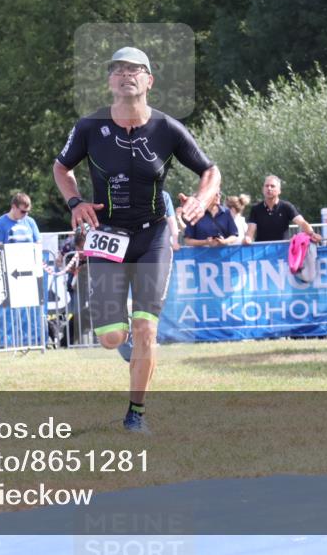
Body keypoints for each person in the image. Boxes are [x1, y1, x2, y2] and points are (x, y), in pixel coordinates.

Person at [53, 46, 220, 433]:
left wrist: (201, 199)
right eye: (118, 70)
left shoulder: (167, 129)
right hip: (107, 235)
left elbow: (210, 171)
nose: (126, 75)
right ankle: (122, 330)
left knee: (146, 329)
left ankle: (135, 414)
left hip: (153, 235)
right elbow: (61, 168)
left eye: (135, 70)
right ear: (109, 81)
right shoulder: (89, 127)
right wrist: (75, 201)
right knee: (113, 337)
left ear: (149, 80)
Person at [243, 175, 321, 244]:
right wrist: (247, 239)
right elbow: (250, 231)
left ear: (279, 191)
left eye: (272, 186)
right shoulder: (256, 208)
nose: (269, 188)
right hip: (262, 251)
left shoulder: (287, 206)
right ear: (263, 189)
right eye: (266, 186)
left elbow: (302, 223)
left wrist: (312, 234)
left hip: (283, 250)